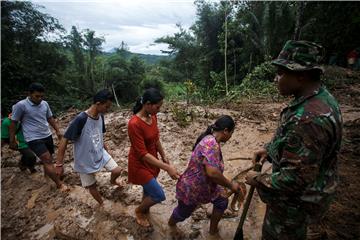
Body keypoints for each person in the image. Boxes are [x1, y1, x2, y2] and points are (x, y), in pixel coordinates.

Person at [245, 40, 343, 240]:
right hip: (309, 195)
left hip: (293, 206)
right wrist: (270, 150)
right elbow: (298, 148)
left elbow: (295, 179)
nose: (276, 79)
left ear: (301, 76)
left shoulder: (308, 119)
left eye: (281, 73)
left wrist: (258, 179)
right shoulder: (321, 100)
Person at [168, 115, 242, 235]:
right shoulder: (211, 143)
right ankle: (170, 225)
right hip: (192, 187)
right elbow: (212, 172)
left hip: (205, 184)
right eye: (231, 133)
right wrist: (230, 185)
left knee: (222, 201)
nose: (231, 136)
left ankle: (212, 232)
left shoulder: (210, 139)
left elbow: (212, 172)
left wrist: (227, 184)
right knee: (183, 213)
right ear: (225, 131)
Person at [55, 89, 123, 205]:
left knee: (117, 170)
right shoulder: (81, 119)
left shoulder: (100, 117)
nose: (107, 110)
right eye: (106, 107)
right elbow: (64, 140)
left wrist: (106, 149)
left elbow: (100, 134)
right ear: (98, 104)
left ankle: (112, 181)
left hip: (99, 151)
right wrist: (59, 164)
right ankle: (102, 204)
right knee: (92, 186)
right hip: (84, 159)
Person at [127, 88, 180, 227]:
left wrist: (164, 156)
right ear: (148, 104)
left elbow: (156, 139)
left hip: (153, 160)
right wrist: (167, 168)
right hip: (140, 163)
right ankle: (139, 211)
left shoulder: (153, 116)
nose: (159, 109)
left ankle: (145, 208)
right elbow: (142, 154)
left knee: (148, 190)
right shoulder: (134, 124)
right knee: (158, 195)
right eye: (158, 106)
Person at [9, 82, 68, 191]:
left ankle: (48, 177)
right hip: (33, 137)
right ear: (29, 94)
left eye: (42, 96)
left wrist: (57, 130)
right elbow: (13, 123)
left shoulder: (45, 104)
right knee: (47, 159)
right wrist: (12, 140)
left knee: (49, 158)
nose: (39, 99)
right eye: (37, 96)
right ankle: (59, 184)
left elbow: (50, 118)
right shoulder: (21, 105)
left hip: (47, 135)